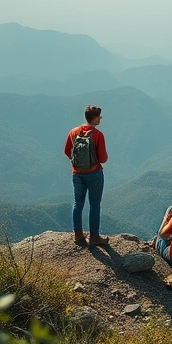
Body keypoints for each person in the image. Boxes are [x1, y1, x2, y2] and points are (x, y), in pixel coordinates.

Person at [64, 105, 109, 246]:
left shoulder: (73, 132)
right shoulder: (97, 135)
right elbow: (103, 159)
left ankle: (78, 234)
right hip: (94, 173)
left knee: (78, 203)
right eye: (99, 117)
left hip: (77, 174)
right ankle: (94, 237)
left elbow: (67, 151)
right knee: (94, 204)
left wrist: (77, 163)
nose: (100, 119)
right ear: (95, 118)